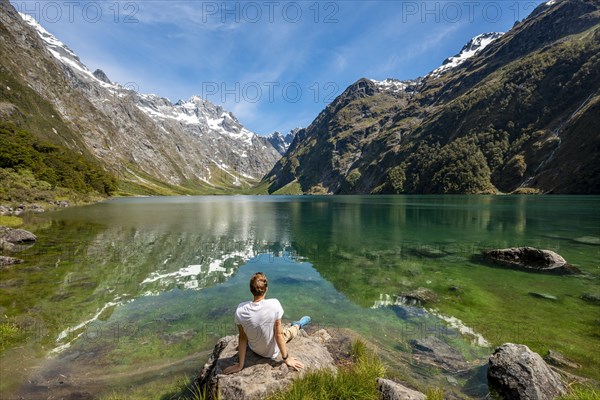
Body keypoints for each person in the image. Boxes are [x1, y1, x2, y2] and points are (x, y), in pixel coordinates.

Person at [224, 272, 311, 374]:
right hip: (272, 352)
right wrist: (286, 358)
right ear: (267, 289)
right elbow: (278, 335)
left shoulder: (240, 309)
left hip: (254, 350)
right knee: (286, 333)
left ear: (250, 290)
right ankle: (298, 324)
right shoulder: (274, 304)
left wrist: (240, 365)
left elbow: (242, 338)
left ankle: (295, 325)